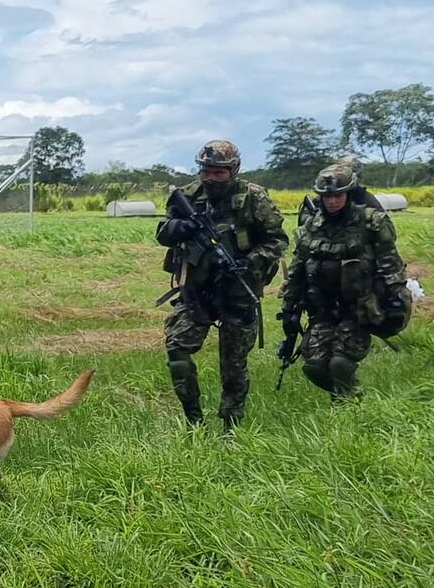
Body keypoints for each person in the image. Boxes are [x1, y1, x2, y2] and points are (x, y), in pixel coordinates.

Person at [156, 140, 288, 428]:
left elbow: (277, 240)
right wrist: (181, 227)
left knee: (233, 366)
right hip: (197, 292)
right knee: (177, 351)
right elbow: (164, 233)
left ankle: (231, 427)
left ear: (233, 171)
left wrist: (250, 261)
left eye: (219, 173)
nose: (211, 178)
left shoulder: (253, 197)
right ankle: (194, 422)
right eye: (206, 171)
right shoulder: (188, 196)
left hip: (237, 290)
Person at [279, 163, 409, 400]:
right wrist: (289, 307)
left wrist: (395, 301)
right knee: (315, 367)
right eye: (326, 196)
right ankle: (346, 396)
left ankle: (351, 403)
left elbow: (391, 266)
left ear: (348, 193)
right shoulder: (311, 227)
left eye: (337, 195)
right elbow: (298, 269)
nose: (332, 201)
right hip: (323, 308)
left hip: (360, 307)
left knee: (340, 363)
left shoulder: (371, 223)